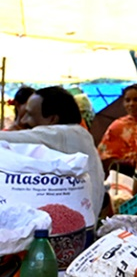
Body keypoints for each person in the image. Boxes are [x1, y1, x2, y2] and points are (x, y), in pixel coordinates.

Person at [4, 86, 105, 218]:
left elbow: (11, 139)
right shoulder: (78, 134)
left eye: (29, 115)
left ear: (52, 119)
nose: (23, 121)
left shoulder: (61, 134)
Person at [97, 84, 137, 173]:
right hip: (122, 175)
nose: (131, 104)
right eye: (127, 100)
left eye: (136, 100)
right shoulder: (116, 126)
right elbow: (104, 158)